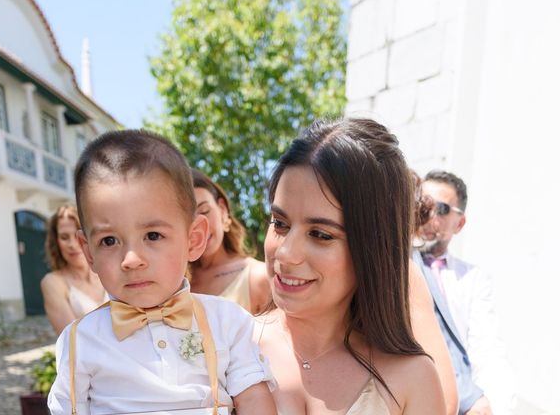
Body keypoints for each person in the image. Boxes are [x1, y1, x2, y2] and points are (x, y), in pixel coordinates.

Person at [48, 129, 276, 415]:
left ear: (193, 239)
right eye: (109, 241)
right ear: (88, 251)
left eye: (153, 235)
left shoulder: (228, 322)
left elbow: (255, 401)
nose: (131, 259)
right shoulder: (80, 341)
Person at [256, 118, 445, 414]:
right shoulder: (222, 342)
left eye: (320, 234)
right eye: (279, 224)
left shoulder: (412, 380)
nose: (286, 253)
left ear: (373, 248)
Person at [418, 170, 515, 415]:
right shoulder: (394, 262)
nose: (427, 214)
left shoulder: (472, 278)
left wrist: (492, 406)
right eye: (421, 204)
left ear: (459, 223)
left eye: (441, 209)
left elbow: (487, 350)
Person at [189, 168, 270, 314]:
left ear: (222, 210)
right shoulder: (170, 284)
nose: (199, 226)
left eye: (204, 211)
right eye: (186, 219)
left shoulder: (259, 278)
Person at [40, 205, 108, 335]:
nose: (72, 244)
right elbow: (73, 339)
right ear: (56, 242)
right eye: (64, 237)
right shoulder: (53, 282)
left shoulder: (109, 272)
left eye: (78, 234)